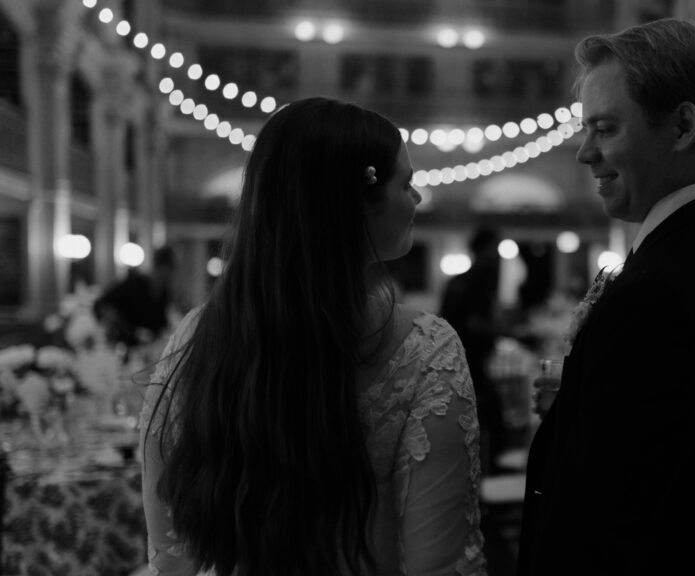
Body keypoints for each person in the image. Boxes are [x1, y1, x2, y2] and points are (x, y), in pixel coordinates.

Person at [139, 98, 487, 576]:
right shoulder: (425, 350)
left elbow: (170, 552)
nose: (418, 199)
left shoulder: (198, 335)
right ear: (354, 202)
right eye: (406, 183)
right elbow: (441, 565)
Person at [519, 19, 695, 576]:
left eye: (605, 129)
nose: (584, 153)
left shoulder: (657, 290)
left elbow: (606, 525)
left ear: (682, 126)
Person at [439, 227, 506, 474]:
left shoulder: (457, 281)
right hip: (470, 362)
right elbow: (475, 324)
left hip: (452, 360)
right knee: (489, 419)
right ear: (484, 249)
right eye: (495, 248)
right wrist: (504, 331)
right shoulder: (479, 280)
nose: (497, 255)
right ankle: (488, 472)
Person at [94, 245, 177, 347]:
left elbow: (160, 324)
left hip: (148, 348)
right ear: (157, 267)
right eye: (163, 275)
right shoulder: (133, 284)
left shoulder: (164, 293)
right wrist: (119, 324)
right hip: (123, 345)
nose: (167, 278)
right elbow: (101, 304)